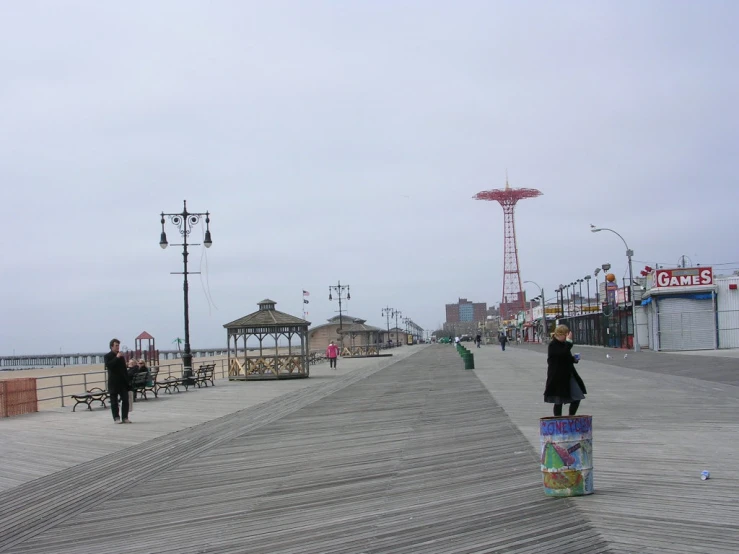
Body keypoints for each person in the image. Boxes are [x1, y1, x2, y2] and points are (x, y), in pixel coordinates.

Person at [544, 325, 587, 417]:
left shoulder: (564, 344)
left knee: (577, 396)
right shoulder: (553, 345)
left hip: (569, 375)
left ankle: (571, 416)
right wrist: (569, 342)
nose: (567, 337)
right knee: (558, 400)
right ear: (560, 334)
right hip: (557, 377)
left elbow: (565, 356)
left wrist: (574, 359)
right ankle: (558, 420)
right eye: (566, 335)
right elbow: (561, 354)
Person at [104, 338, 130, 423]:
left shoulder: (121, 357)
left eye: (118, 345)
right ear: (112, 346)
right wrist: (117, 357)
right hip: (113, 382)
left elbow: (124, 369)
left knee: (125, 400)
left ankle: (125, 417)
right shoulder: (107, 356)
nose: (118, 347)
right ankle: (116, 418)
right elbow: (109, 366)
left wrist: (127, 381)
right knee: (114, 402)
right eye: (116, 345)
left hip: (122, 382)